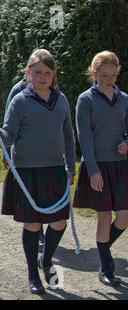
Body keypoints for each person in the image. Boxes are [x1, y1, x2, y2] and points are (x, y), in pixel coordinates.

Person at [0, 49, 76, 295]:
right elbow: (9, 135)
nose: (43, 77)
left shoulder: (62, 100)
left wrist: (70, 166)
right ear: (29, 73)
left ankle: (45, 260)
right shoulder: (20, 101)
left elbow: (69, 135)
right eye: (38, 73)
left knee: (59, 222)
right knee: (33, 225)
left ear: (53, 74)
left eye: (47, 73)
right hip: (27, 171)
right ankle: (33, 274)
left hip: (55, 169)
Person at [73, 50, 128, 287]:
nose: (109, 79)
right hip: (97, 166)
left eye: (114, 75)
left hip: (121, 166)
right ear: (94, 74)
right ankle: (106, 267)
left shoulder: (125, 98)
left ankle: (103, 250)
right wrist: (93, 170)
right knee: (104, 217)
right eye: (104, 75)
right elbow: (84, 138)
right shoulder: (85, 99)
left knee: (124, 217)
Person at [3, 75, 45, 251]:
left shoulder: (49, 91)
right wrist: (5, 153)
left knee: (42, 194)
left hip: (44, 154)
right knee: (30, 195)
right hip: (22, 155)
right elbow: (7, 124)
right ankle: (39, 233)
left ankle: (40, 231)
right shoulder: (17, 90)